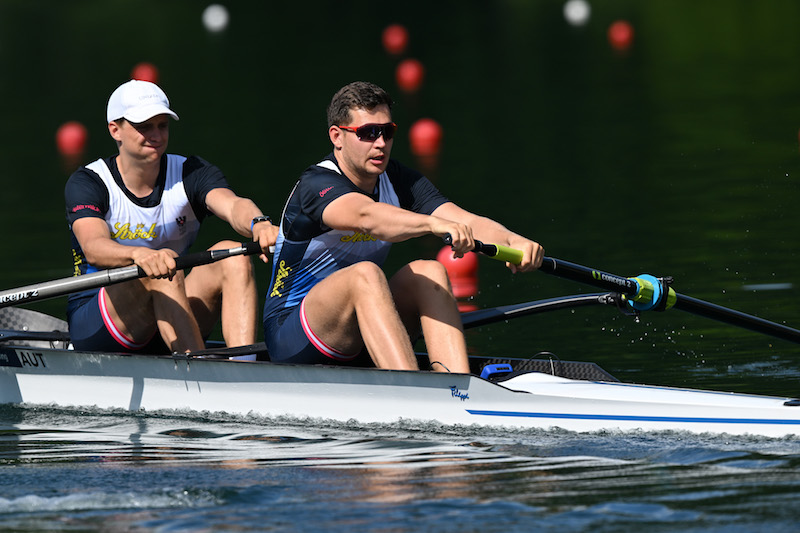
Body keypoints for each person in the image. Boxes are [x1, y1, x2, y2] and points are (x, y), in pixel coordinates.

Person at [262, 81, 543, 373]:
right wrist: (432, 224)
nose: (381, 143)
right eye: (368, 133)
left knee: (428, 272)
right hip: (293, 336)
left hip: (361, 332)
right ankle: (412, 392)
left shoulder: (397, 179)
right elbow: (367, 217)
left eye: (387, 132)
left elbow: (465, 220)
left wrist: (515, 241)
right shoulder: (316, 185)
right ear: (337, 136)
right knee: (365, 275)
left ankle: (457, 387)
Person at [65, 80, 278, 356]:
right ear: (115, 130)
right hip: (99, 321)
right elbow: (93, 247)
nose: (155, 135)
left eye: (162, 125)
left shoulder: (191, 172)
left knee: (234, 257)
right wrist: (139, 255)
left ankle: (245, 370)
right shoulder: (89, 182)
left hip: (170, 310)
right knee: (165, 268)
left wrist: (258, 223)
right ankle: (203, 377)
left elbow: (233, 205)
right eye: (144, 127)